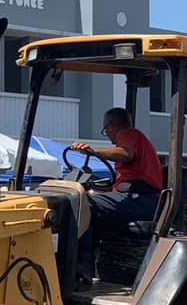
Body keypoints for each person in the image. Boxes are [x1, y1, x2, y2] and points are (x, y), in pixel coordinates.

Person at [70, 107, 164, 285]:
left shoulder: (128, 134)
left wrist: (93, 151)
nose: (109, 136)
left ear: (111, 126)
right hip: (140, 200)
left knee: (81, 205)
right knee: (87, 202)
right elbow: (119, 185)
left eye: (106, 131)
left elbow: (126, 154)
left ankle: (80, 272)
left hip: (142, 200)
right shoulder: (139, 144)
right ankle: (93, 266)